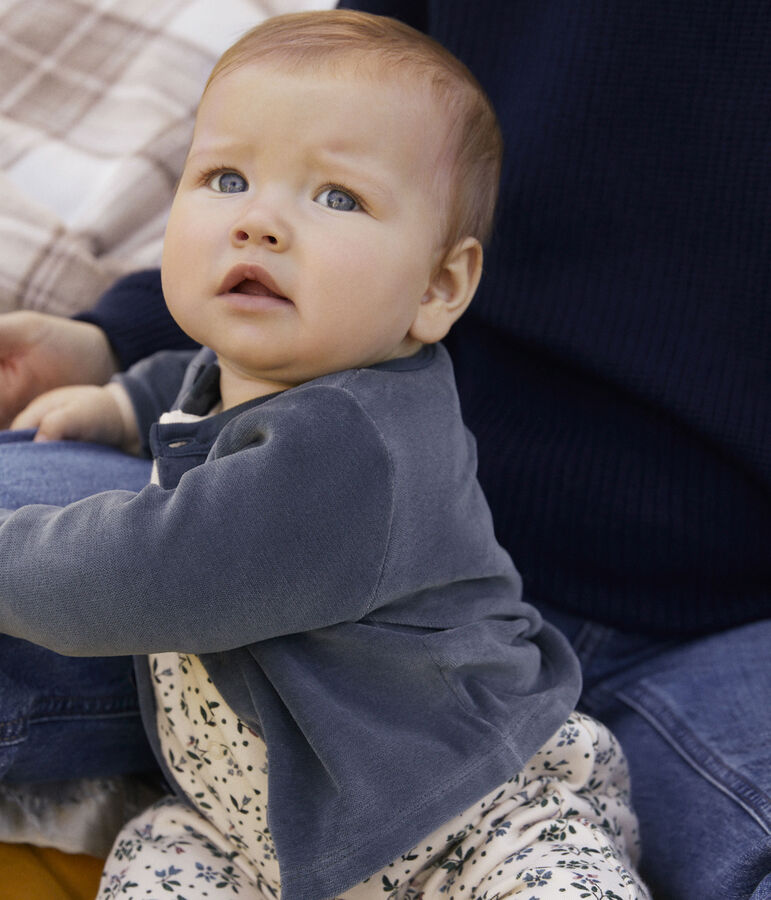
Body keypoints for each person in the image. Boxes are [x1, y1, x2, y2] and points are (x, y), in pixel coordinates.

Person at [1, 3, 768, 898]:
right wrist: (117, 396)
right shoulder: (269, 366)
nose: (259, 223)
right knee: (155, 862)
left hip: (475, 814)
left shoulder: (351, 450)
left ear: (441, 285)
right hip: (260, 823)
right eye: (224, 178)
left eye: (337, 197)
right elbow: (201, 377)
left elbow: (143, 569)